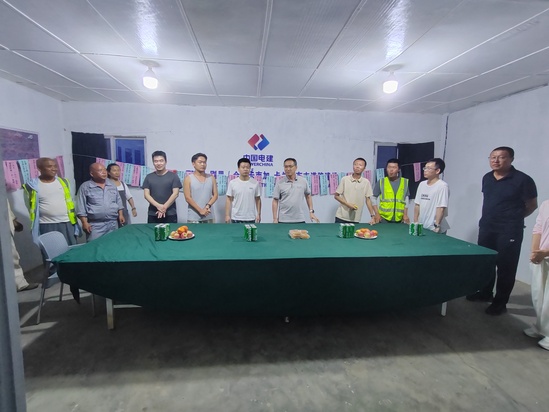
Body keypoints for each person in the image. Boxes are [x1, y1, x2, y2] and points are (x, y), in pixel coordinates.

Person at [467, 147, 538, 316]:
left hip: (509, 230)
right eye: (493, 157)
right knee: (487, 262)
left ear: (511, 159)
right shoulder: (487, 177)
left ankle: (500, 303)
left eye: (501, 157)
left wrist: (513, 219)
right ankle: (485, 293)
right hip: (487, 227)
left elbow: (532, 205)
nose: (496, 160)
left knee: (506, 267)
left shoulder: (523, 180)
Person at [23, 157, 80, 245]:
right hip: (46, 224)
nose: (54, 169)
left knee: (71, 250)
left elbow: (71, 200)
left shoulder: (64, 182)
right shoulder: (31, 186)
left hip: (67, 222)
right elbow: (29, 206)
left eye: (55, 166)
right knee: (51, 250)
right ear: (40, 169)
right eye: (49, 166)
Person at [77, 163, 125, 242]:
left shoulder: (111, 184)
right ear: (92, 174)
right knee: (95, 247)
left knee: (113, 244)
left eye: (105, 170)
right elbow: (81, 206)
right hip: (95, 226)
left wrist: (121, 214)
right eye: (100, 170)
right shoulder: (85, 187)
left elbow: (118, 200)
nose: (104, 172)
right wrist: (84, 222)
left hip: (113, 224)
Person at [524, 199, 549, 350]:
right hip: (541, 257)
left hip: (545, 254)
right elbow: (538, 228)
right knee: (538, 295)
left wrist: (545, 252)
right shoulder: (546, 204)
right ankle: (541, 327)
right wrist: (535, 251)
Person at [272, 158, 319, 224]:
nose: (288, 169)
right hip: (283, 220)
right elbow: (275, 201)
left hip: (299, 219)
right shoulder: (280, 183)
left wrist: (311, 212)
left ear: (296, 167)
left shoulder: (303, 181)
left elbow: (308, 196)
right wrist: (275, 218)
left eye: (290, 166)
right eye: (286, 167)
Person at [142, 151, 182, 224]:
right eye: (156, 161)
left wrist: (164, 207)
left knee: (171, 231)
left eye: (161, 161)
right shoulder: (149, 177)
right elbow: (146, 195)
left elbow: (175, 194)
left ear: (165, 162)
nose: (159, 163)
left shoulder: (173, 176)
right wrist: (158, 206)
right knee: (152, 231)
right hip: (153, 213)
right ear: (153, 162)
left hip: (170, 213)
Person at [7, 200, 38, 291]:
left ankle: (20, 284)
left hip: (5, 229)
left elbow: (5, 207)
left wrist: (13, 221)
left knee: (13, 256)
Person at [334, 158, 375, 224]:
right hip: (341, 216)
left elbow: (368, 200)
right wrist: (347, 204)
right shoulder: (345, 179)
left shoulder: (366, 182)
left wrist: (372, 216)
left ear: (364, 168)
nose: (357, 166)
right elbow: (336, 196)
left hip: (355, 218)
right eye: (355, 164)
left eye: (360, 165)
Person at [413, 158, 450, 233]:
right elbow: (417, 204)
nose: (425, 170)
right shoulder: (422, 184)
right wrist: (415, 221)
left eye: (429, 168)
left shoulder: (442, 186)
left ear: (437, 171)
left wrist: (437, 226)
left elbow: (441, 208)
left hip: (434, 228)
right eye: (425, 168)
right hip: (422, 226)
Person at [372, 158, 410, 224]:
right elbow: (373, 198)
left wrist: (405, 214)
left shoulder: (404, 182)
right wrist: (376, 214)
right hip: (384, 219)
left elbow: (406, 199)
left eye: (394, 167)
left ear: (399, 169)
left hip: (399, 219)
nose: (391, 170)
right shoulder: (381, 182)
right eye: (389, 167)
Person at [183, 153, 218, 223]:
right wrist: (200, 210)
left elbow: (215, 195)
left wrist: (208, 205)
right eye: (200, 162)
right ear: (193, 164)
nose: (202, 164)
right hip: (193, 217)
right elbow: (188, 198)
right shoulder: (188, 179)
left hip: (209, 216)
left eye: (204, 162)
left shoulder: (211, 178)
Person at [225, 158, 261, 223]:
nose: (245, 169)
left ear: (250, 169)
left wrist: (258, 214)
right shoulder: (232, 183)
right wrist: (227, 215)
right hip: (236, 217)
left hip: (250, 217)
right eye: (243, 167)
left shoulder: (255, 183)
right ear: (238, 169)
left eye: (247, 167)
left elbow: (258, 199)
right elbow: (228, 199)